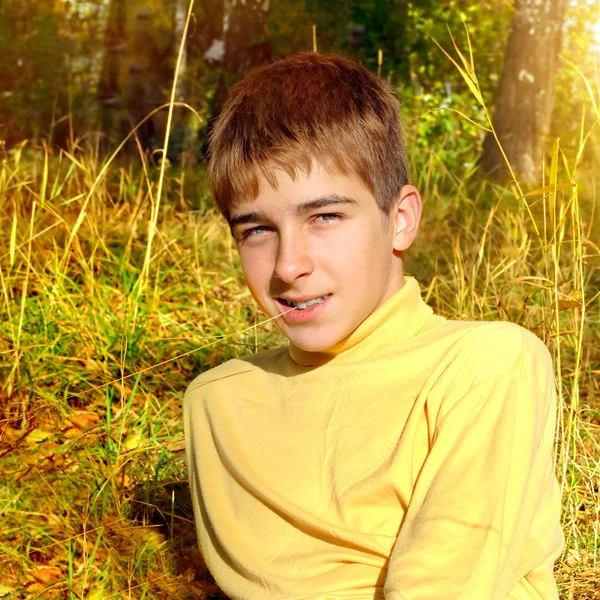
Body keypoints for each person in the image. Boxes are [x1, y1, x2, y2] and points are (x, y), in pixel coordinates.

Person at [183, 51, 564, 600]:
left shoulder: (485, 367)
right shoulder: (216, 405)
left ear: (401, 220)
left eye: (325, 217)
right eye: (257, 230)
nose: (290, 265)